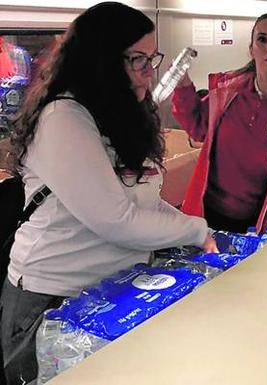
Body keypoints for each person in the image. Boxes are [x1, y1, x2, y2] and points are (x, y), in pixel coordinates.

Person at [1, 3, 217, 383]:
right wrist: (194, 230)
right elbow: (117, 220)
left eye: (152, 59)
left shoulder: (121, 114)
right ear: (100, 59)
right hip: (55, 300)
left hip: (114, 290)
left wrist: (194, 228)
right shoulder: (64, 118)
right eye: (137, 60)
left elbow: (146, 202)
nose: (148, 73)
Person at [172, 13, 267, 234]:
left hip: (261, 225)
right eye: (262, 40)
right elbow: (198, 127)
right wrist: (182, 84)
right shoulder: (229, 92)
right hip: (206, 217)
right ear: (251, 48)